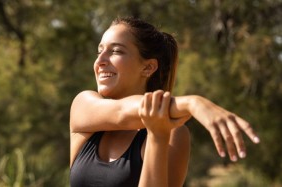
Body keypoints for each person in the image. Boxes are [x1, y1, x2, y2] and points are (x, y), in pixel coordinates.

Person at [69, 17, 259, 187]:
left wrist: (157, 138)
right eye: (99, 51)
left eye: (116, 51)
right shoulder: (84, 105)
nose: (100, 61)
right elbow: (121, 112)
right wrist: (194, 103)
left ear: (148, 67)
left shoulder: (174, 133)